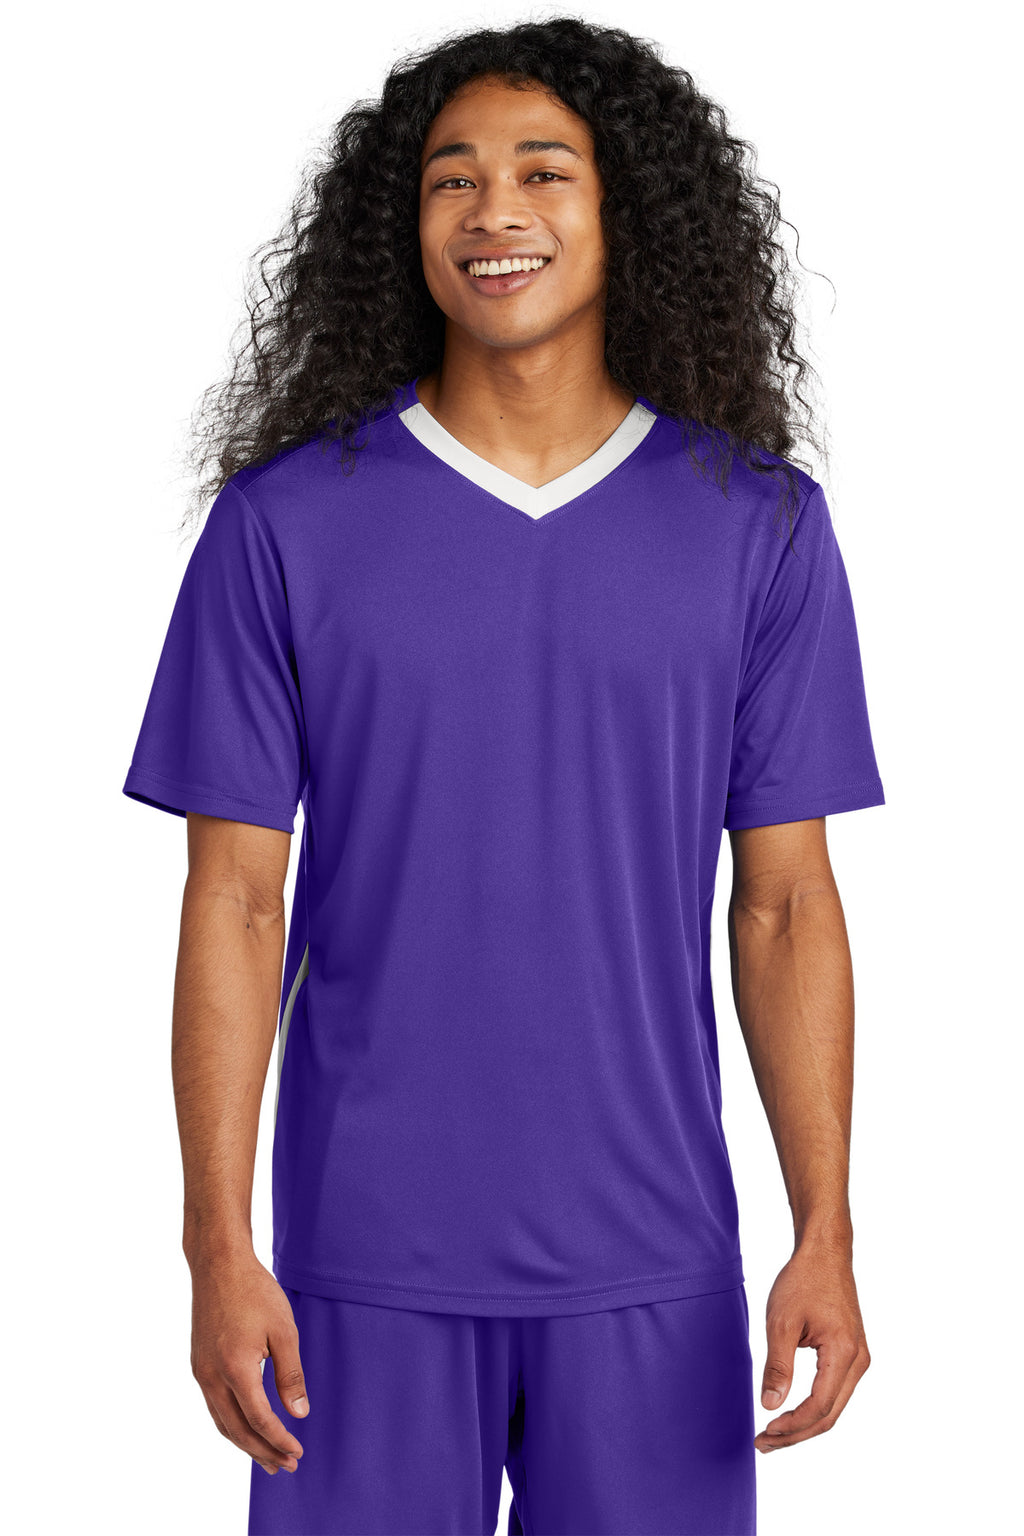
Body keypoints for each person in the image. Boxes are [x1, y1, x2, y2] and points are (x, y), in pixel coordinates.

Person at [122, 17, 885, 1535]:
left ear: (626, 211)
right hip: (358, 1270)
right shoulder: (283, 525)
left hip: (654, 1263)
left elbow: (787, 906)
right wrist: (217, 1246)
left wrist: (826, 1230)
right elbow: (235, 904)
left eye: (544, 171)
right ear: (403, 228)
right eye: (452, 179)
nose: (495, 211)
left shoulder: (759, 527)